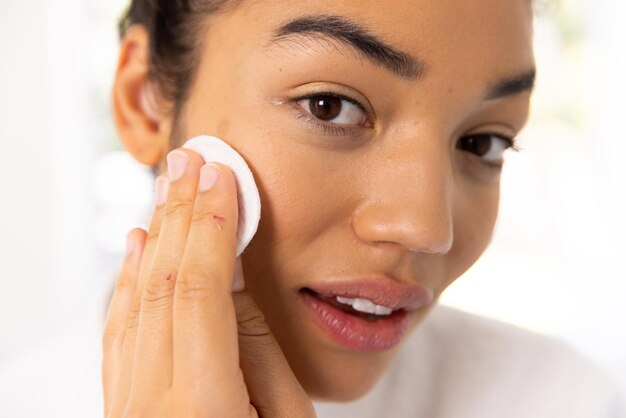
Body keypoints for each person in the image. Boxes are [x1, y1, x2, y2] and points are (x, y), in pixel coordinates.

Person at [103, 0, 626, 417]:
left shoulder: (563, 401)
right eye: (328, 105)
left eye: (483, 142)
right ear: (144, 102)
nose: (426, 229)